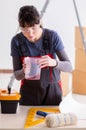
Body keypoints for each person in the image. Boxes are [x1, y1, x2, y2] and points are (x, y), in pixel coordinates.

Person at [10, 5, 72, 106]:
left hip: (53, 92)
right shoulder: (16, 41)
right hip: (28, 93)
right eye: (24, 29)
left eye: (33, 28)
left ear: (40, 23)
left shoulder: (52, 36)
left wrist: (54, 63)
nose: (30, 34)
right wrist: (23, 71)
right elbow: (17, 76)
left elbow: (69, 67)